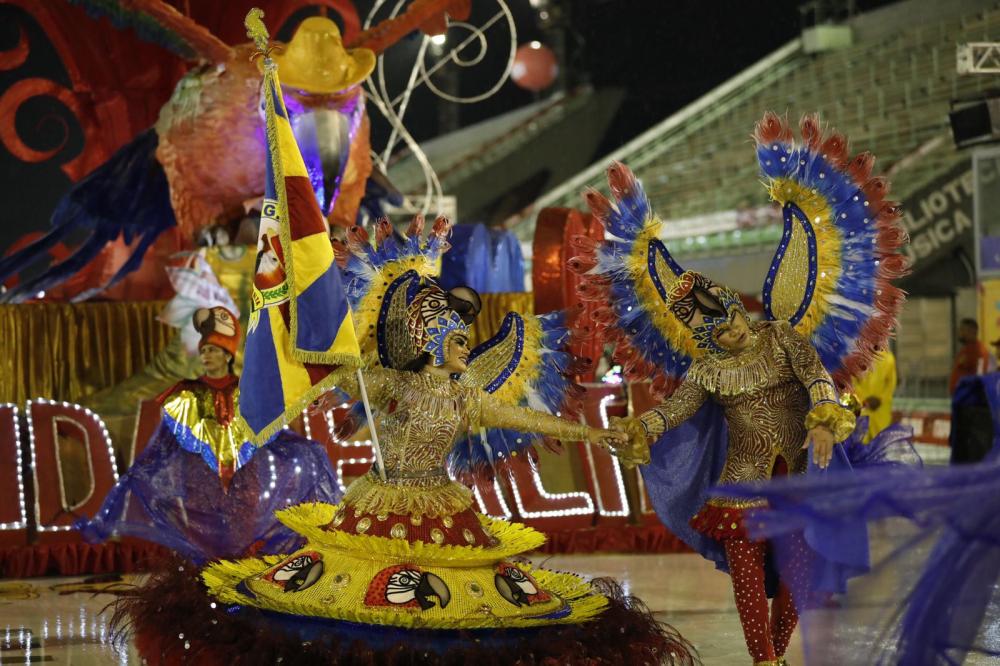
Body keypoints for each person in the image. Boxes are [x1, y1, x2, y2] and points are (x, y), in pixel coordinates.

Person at [113, 221, 696, 665]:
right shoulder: (384, 379)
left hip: (443, 508)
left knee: (449, 612)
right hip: (379, 505)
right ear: (425, 336)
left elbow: (536, 422)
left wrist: (598, 433)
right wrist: (292, 329)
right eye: (455, 336)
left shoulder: (466, 393)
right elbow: (325, 367)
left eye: (466, 337)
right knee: (360, 605)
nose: (465, 342)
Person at [575, 112, 910, 666]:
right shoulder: (706, 369)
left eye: (729, 318)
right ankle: (765, 660)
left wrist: (825, 417)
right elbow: (676, 410)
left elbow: (817, 379)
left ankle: (774, 654)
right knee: (749, 578)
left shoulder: (782, 336)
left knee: (798, 577)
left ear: (737, 306)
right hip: (739, 486)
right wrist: (640, 427)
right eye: (716, 329)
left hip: (800, 479)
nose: (728, 330)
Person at [77, 306, 342, 562]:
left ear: (227, 355)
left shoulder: (248, 393)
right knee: (205, 547)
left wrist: (306, 450)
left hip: (244, 480)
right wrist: (139, 473)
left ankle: (237, 598)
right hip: (200, 481)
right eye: (203, 350)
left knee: (242, 542)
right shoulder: (186, 395)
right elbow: (165, 443)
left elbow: (271, 432)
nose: (206, 355)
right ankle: (208, 600)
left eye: (213, 350)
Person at [852, 347, 897, 442]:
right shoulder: (858, 358)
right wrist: (864, 400)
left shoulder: (889, 359)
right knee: (861, 444)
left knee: (880, 444)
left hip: (880, 411)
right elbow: (853, 382)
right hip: (863, 408)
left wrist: (880, 400)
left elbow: (890, 384)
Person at [949, 318, 989, 394]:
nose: (959, 333)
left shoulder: (980, 351)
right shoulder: (965, 350)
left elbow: (980, 375)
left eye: (962, 329)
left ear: (972, 331)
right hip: (960, 398)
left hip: (968, 400)